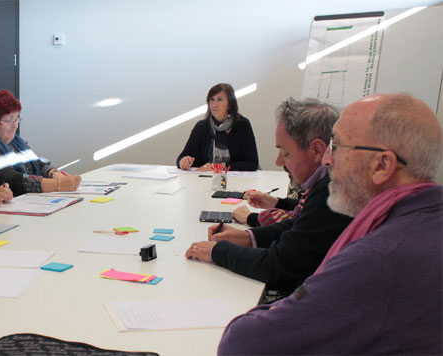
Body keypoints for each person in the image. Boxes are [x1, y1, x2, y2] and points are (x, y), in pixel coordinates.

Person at [219, 93, 442, 354]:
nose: (326, 159)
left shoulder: (379, 259)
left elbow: (242, 344)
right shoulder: (426, 219)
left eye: (337, 147)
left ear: (382, 165)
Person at [186, 98, 352, 293]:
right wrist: (247, 237)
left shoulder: (331, 194)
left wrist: (217, 252)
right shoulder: (328, 183)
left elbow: (280, 266)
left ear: (317, 150)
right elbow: (297, 226)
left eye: (285, 152)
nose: (278, 161)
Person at [0, 89, 81, 196]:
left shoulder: (14, 142)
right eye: (8, 120)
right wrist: (57, 184)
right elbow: (14, 181)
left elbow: (38, 163)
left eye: (17, 119)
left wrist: (54, 173)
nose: (15, 125)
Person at [176, 83, 259, 172]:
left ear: (230, 104)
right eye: (212, 100)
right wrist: (183, 162)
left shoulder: (242, 125)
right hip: (204, 180)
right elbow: (182, 157)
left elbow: (252, 163)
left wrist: (217, 167)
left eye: (220, 100)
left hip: (235, 180)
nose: (214, 105)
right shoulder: (201, 126)